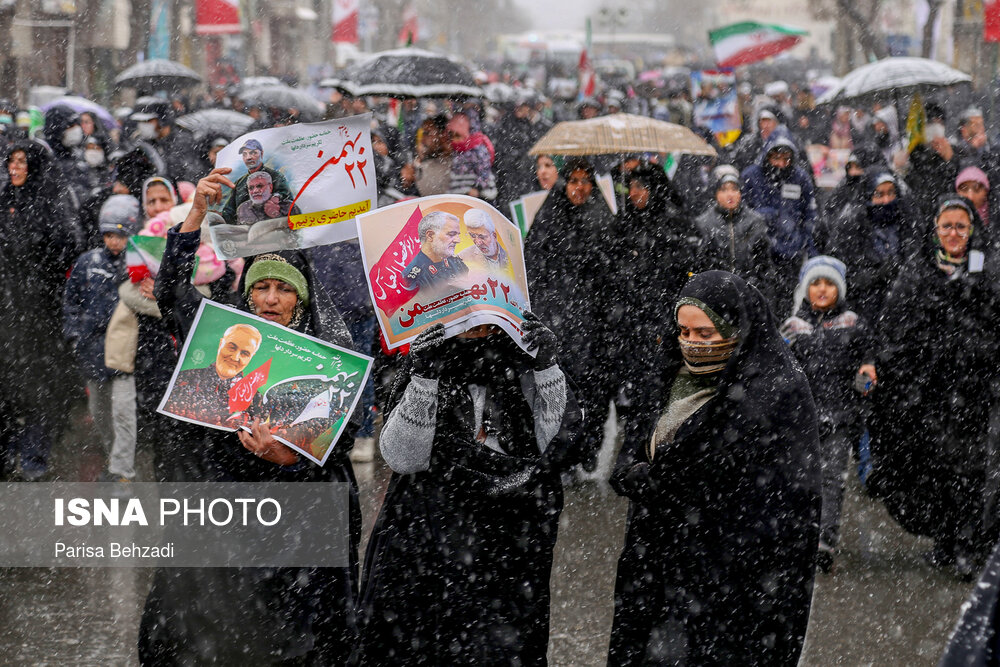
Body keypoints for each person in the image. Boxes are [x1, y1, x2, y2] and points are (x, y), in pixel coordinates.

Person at [141, 166, 360, 664]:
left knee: (294, 640)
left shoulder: (330, 352)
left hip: (298, 531)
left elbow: (342, 438)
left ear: (300, 297)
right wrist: (195, 214)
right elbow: (169, 291)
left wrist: (291, 457)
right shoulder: (225, 332)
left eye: (283, 290)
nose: (270, 300)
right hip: (231, 522)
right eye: (261, 288)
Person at [608, 271, 821, 666]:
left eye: (706, 334)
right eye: (684, 332)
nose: (691, 344)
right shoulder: (669, 376)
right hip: (657, 569)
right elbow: (637, 442)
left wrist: (671, 484)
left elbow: (782, 496)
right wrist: (631, 472)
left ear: (737, 328)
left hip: (729, 581)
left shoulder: (775, 389)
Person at [352, 317, 581, 664]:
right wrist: (424, 377)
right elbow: (403, 457)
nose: (474, 318)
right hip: (428, 539)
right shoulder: (429, 356)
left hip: (506, 546)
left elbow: (558, 447)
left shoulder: (523, 360)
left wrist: (547, 368)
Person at [866, 196, 1000, 580]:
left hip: (974, 391)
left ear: (972, 229)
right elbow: (894, 327)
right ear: (935, 229)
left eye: (961, 226)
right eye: (947, 226)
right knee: (934, 468)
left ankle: (969, 544)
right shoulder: (918, 271)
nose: (954, 234)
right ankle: (945, 539)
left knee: (971, 469)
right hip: (927, 392)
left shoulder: (988, 269)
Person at [525, 157, 619, 473]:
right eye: (573, 181)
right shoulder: (549, 215)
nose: (578, 188)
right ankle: (562, 452)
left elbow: (610, 268)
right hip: (557, 317)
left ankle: (588, 446)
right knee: (559, 387)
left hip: (592, 320)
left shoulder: (601, 217)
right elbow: (534, 262)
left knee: (591, 387)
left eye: (584, 181)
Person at [780, 256, 873, 573]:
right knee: (800, 479)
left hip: (839, 416)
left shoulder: (853, 323)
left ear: (840, 289)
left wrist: (866, 376)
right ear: (805, 289)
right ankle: (798, 534)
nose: (822, 289)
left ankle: (825, 541)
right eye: (815, 283)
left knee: (832, 480)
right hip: (802, 420)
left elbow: (868, 359)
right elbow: (778, 367)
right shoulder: (793, 327)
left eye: (829, 284)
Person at [0, 140, 83, 480]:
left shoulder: (50, 203)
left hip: (38, 315)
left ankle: (34, 459)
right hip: (6, 314)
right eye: (11, 161)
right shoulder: (4, 202)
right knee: (5, 391)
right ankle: (6, 455)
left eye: (21, 162)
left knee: (38, 389)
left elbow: (67, 246)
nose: (14, 168)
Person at [62, 195, 139, 482]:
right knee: (101, 412)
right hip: (92, 351)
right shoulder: (88, 262)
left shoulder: (137, 265)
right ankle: (114, 456)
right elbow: (71, 301)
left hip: (125, 353)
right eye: (109, 234)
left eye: (119, 235)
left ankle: (122, 472)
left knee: (123, 412)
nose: (114, 241)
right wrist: (74, 335)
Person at [819, 171, 920, 323]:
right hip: (861, 311)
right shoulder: (851, 226)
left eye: (891, 193)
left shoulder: (906, 222)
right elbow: (840, 275)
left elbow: (917, 261)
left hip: (902, 311)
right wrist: (876, 275)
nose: (886, 200)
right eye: (879, 194)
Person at [741, 133, 818, 303]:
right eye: (776, 158)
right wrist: (763, 216)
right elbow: (742, 210)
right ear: (767, 155)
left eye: (786, 159)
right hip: (759, 251)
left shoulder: (801, 178)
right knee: (760, 299)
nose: (781, 164)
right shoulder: (751, 176)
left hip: (791, 252)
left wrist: (811, 250)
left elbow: (810, 215)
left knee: (785, 300)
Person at [693, 167, 777, 306]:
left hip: (748, 295)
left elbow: (764, 265)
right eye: (724, 190)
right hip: (715, 296)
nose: (730, 195)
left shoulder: (755, 221)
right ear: (716, 194)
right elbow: (700, 264)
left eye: (734, 189)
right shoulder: (704, 223)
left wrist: (758, 290)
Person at [160, 323, 263, 428]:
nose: (235, 358)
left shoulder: (255, 398)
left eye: (245, 354)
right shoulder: (183, 377)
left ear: (251, 357)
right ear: (220, 344)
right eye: (232, 347)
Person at [220, 138, 292, 224]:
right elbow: (229, 210)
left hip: (272, 227)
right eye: (244, 154)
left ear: (261, 154)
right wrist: (220, 218)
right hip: (243, 231)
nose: (249, 157)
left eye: (253, 153)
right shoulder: (239, 183)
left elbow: (288, 199)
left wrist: (276, 198)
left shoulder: (276, 176)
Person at [402, 210, 469, 293]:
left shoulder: (456, 263)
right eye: (451, 234)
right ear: (430, 235)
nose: (457, 240)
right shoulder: (413, 278)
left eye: (458, 235)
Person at [447, 108, 497, 201]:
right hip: (459, 194)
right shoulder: (456, 150)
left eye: (457, 136)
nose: (454, 140)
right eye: (451, 136)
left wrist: (477, 188)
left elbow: (484, 170)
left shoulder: (477, 149)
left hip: (476, 196)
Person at [458, 208, 512, 274]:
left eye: (482, 237)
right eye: (472, 236)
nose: (478, 243)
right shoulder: (462, 258)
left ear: (494, 236)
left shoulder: (512, 256)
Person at [235, 170, 301, 224]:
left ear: (270, 187)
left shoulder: (289, 207)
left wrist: (277, 216)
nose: (255, 191)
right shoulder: (243, 209)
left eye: (259, 186)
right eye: (251, 188)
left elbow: (301, 232)